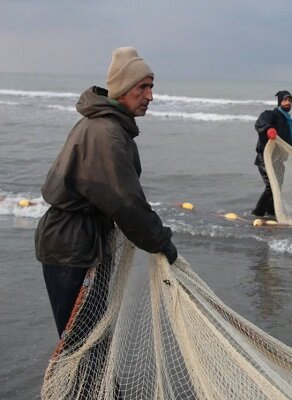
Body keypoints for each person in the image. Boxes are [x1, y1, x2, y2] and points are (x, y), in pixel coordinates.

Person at [35, 47, 178, 340]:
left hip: (79, 241)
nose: (150, 96)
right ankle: (90, 388)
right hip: (72, 247)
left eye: (151, 87)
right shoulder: (106, 134)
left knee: (89, 338)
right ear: (123, 90)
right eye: (143, 87)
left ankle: (100, 388)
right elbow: (126, 203)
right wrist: (160, 240)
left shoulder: (105, 125)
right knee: (82, 342)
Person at [252, 90, 292, 217]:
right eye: (285, 100)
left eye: (290, 100)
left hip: (279, 161)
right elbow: (260, 123)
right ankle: (257, 214)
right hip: (266, 159)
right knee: (271, 186)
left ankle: (271, 212)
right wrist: (269, 129)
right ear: (280, 101)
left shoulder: (291, 123)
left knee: (277, 188)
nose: (288, 103)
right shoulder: (271, 115)